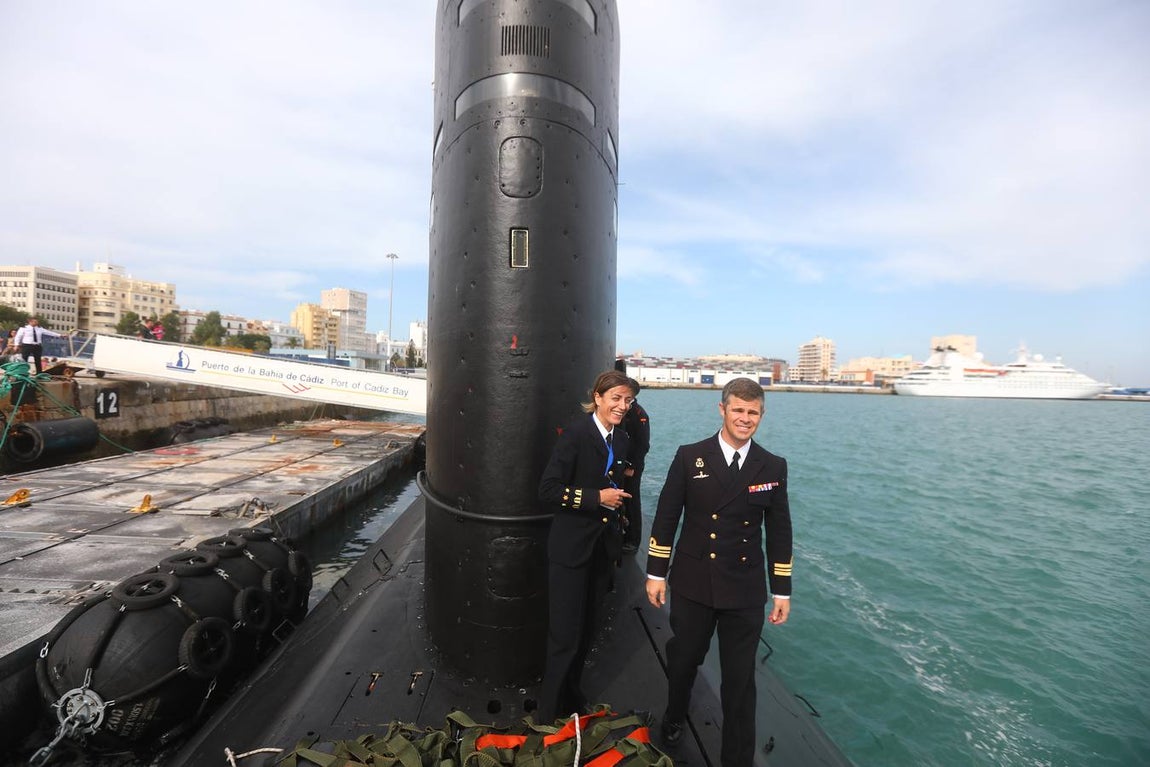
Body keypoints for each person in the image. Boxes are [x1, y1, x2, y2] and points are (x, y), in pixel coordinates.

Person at [645, 377, 792, 767]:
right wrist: (656, 573)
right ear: (722, 409)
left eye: (753, 412)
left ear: (761, 416)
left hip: (744, 590)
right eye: (738, 410)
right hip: (694, 583)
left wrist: (783, 591)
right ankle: (675, 715)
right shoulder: (690, 456)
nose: (745, 419)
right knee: (684, 659)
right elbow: (666, 516)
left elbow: (779, 531)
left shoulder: (772, 466)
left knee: (740, 685)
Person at [537, 369, 637, 722]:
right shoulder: (577, 434)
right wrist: (598, 497)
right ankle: (548, 715)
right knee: (564, 637)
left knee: (587, 632)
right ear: (598, 397)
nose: (622, 406)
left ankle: (573, 701)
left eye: (628, 400)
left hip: (600, 551)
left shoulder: (621, 440)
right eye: (616, 399)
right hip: (570, 551)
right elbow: (548, 489)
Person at [614, 361, 651, 554]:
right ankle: (619, 530)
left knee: (631, 500)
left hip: (631, 466)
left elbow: (642, 445)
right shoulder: (622, 410)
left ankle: (633, 539)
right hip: (619, 463)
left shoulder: (638, 414)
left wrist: (632, 467)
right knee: (619, 499)